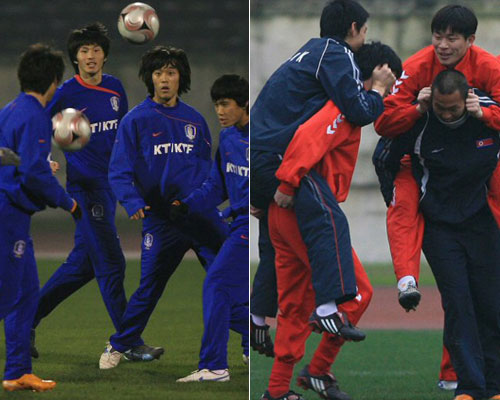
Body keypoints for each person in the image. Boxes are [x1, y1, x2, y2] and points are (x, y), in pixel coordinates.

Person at [250, 0, 395, 353]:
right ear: (354, 29)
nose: (364, 36)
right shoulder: (337, 54)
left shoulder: (306, 52)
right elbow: (357, 110)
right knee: (330, 221)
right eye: (364, 30)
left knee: (273, 245)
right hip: (280, 160)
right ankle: (329, 306)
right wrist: (377, 90)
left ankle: (255, 321)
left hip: (256, 156)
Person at [373, 4, 500, 390]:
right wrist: (417, 108)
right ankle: (407, 277)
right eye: (437, 36)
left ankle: (474, 380)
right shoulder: (415, 67)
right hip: (422, 164)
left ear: (470, 41)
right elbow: (384, 122)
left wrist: (487, 113)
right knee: (405, 207)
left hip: (476, 176)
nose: (443, 45)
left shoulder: (491, 69)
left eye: (453, 38)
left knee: (487, 300)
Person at [99, 45, 228, 370]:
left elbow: (207, 171)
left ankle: (247, 344)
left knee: (226, 278)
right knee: (149, 288)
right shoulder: (136, 120)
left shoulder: (195, 121)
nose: (165, 79)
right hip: (161, 220)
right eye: (158, 73)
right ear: (150, 78)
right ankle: (119, 344)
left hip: (197, 216)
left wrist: (212, 204)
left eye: (171, 72)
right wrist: (131, 201)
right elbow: (118, 169)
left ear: (180, 76)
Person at [29, 22, 132, 359]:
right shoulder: (66, 93)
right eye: (84, 51)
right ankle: (128, 339)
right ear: (75, 58)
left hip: (109, 186)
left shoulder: (116, 90)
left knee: (83, 266)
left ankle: (25, 321)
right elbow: (39, 124)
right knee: (112, 263)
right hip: (84, 189)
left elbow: (124, 138)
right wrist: (45, 157)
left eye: (96, 50)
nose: (90, 56)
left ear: (104, 55)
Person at [0, 43, 81, 392]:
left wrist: (35, 163)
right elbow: (33, 173)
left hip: (14, 214)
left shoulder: (10, 109)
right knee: (6, 294)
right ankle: (17, 369)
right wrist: (68, 202)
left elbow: (16, 159)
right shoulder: (34, 113)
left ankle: (18, 371)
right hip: (7, 214)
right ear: (53, 81)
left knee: (26, 293)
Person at [173, 74, 249, 382]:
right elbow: (217, 187)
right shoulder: (229, 139)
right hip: (240, 224)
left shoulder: (264, 138)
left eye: (225, 104)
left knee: (216, 284)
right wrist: (187, 205)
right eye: (216, 104)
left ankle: (215, 366)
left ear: (244, 104)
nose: (219, 111)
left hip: (256, 226)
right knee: (228, 294)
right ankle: (253, 338)